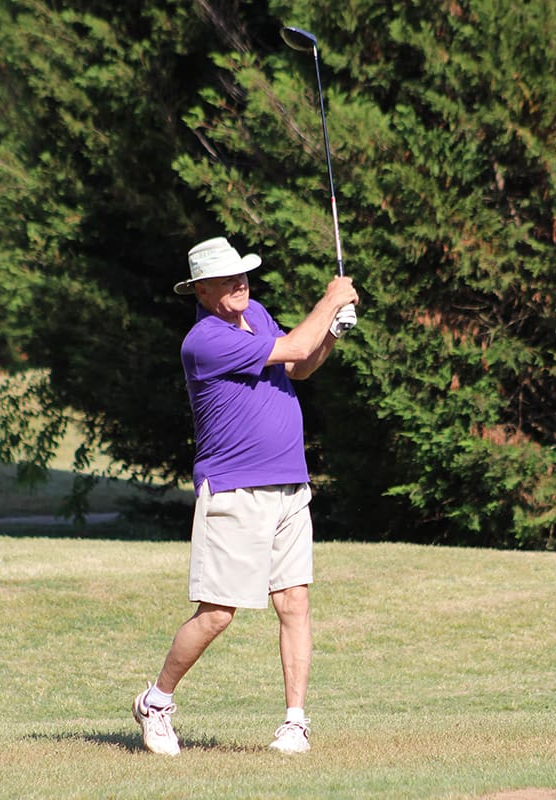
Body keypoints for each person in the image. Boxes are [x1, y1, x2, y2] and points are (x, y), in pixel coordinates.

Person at [132, 236, 359, 756]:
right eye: (228, 279)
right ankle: (157, 701)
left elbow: (299, 365)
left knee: (295, 602)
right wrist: (331, 300)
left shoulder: (254, 312)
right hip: (235, 488)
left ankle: (295, 723)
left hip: (288, 484)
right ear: (202, 290)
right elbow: (296, 347)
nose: (241, 284)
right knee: (218, 612)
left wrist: (332, 334)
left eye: (244, 275)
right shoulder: (204, 340)